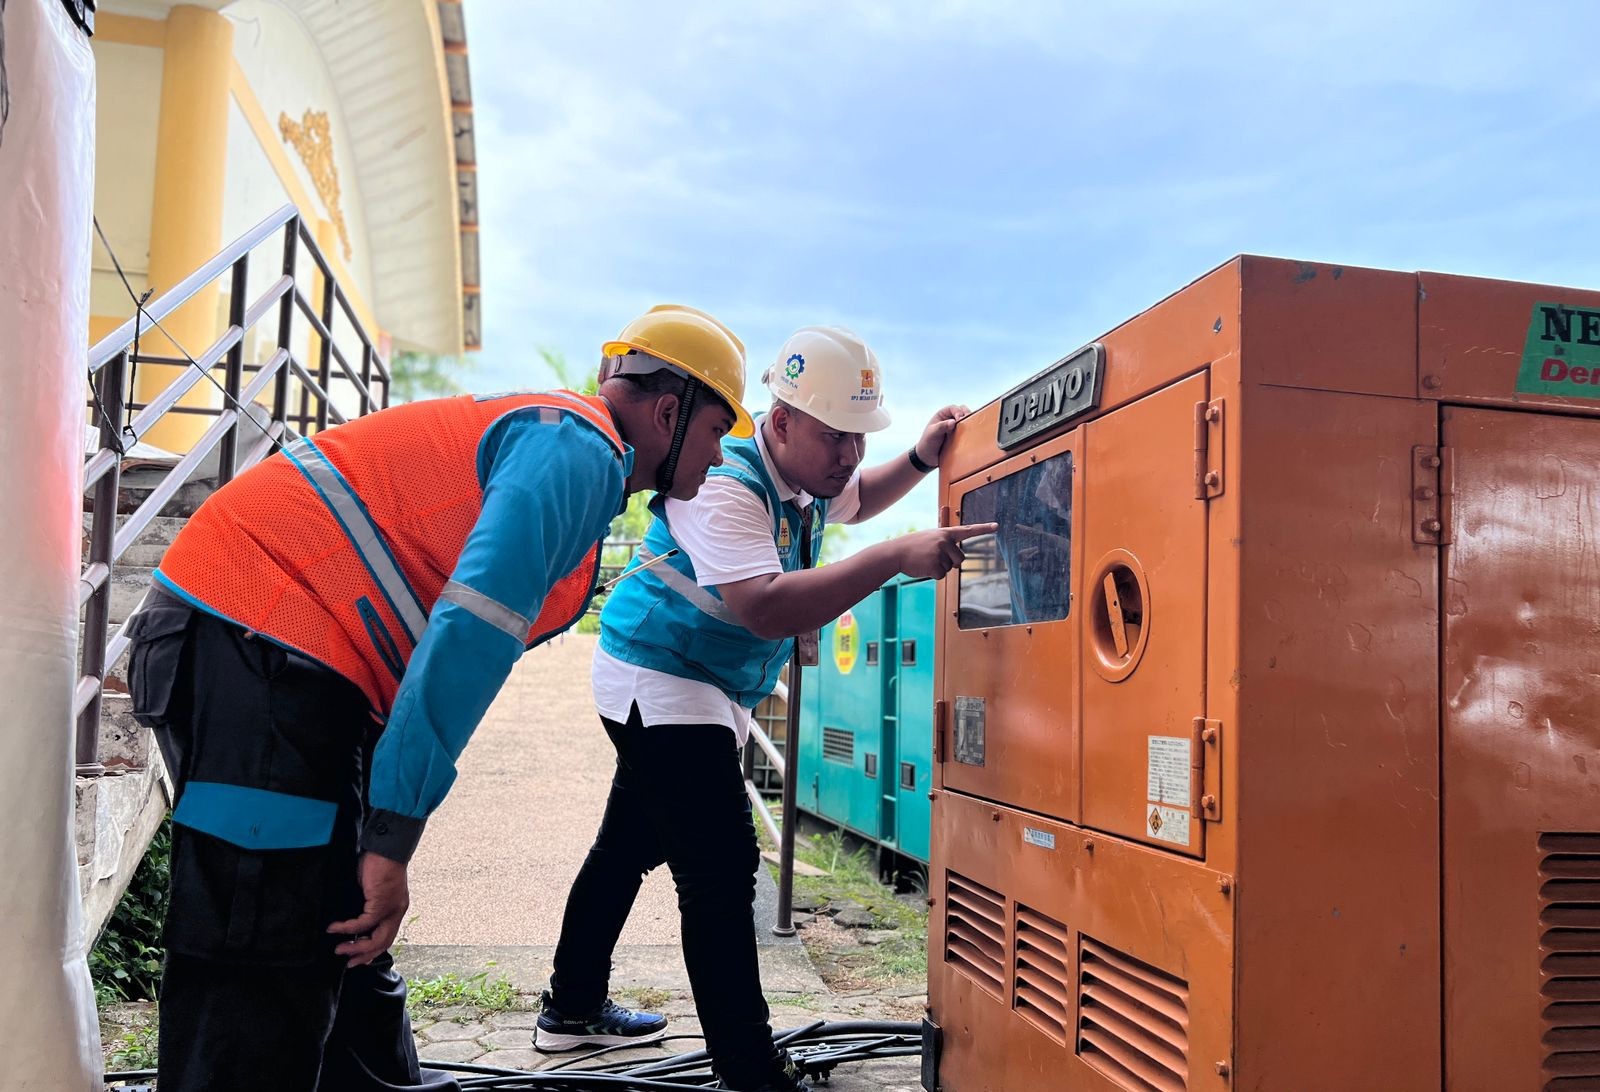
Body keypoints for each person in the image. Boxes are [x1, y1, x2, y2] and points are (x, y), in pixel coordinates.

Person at [124, 304, 752, 1092]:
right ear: (669, 411)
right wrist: (392, 837)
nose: (719, 456)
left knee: (339, 934)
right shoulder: (577, 451)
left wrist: (380, 830)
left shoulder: (573, 453)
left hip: (279, 657)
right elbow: (468, 639)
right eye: (716, 433)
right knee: (263, 948)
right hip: (254, 637)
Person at [536, 326, 994, 1091]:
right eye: (834, 437)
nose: (848, 456)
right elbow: (763, 608)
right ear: (780, 422)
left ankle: (571, 1009)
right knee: (719, 867)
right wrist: (889, 558)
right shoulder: (723, 483)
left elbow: (857, 498)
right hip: (660, 671)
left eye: (859, 438)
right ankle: (748, 1072)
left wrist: (915, 459)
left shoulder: (807, 477)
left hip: (707, 685)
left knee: (627, 848)